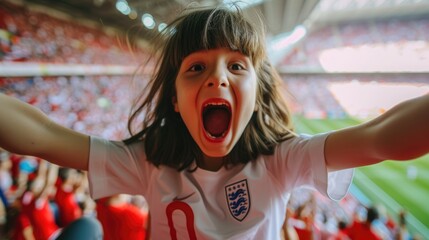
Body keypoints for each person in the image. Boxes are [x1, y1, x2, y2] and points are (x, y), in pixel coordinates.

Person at [0, 4, 428, 239]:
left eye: (237, 67)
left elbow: (380, 138)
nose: (218, 77)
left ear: (258, 92)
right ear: (176, 100)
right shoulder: (147, 160)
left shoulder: (281, 159)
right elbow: (40, 136)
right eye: (196, 68)